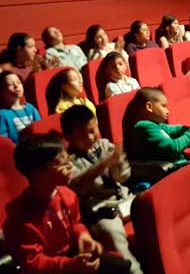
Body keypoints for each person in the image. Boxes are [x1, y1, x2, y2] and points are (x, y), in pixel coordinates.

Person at [3, 133, 131, 274]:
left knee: (121, 266)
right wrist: (70, 265)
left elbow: (76, 224)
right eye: (61, 164)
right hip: (53, 268)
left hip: (72, 257)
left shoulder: (67, 195)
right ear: (36, 173)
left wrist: (83, 235)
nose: (70, 167)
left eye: (68, 160)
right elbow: (32, 262)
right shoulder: (21, 218)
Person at [60, 105, 143, 274]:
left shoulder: (104, 145)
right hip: (100, 209)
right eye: (83, 135)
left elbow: (123, 177)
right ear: (68, 137)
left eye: (93, 130)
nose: (91, 137)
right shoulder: (69, 161)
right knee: (112, 233)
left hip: (123, 198)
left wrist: (118, 162)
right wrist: (104, 164)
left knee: (155, 204)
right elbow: (78, 186)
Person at [123, 87, 190, 167]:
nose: (167, 111)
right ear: (149, 107)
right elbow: (174, 148)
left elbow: (176, 129)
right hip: (168, 170)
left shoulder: (154, 124)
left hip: (178, 164)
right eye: (163, 106)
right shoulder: (144, 127)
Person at [0, 71, 40, 143]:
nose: (16, 86)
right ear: (2, 91)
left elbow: (40, 128)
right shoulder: (2, 115)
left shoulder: (30, 108)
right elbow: (4, 142)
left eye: (19, 82)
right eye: (10, 84)